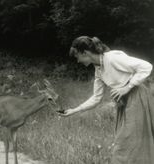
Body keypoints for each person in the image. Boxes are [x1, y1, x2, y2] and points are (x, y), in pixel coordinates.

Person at [59, 36, 154, 164]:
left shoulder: (112, 58)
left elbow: (146, 66)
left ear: (85, 53)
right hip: (124, 104)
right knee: (125, 142)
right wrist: (74, 110)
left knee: (130, 142)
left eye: (77, 57)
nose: (78, 61)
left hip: (138, 99)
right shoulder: (98, 70)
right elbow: (96, 98)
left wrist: (127, 87)